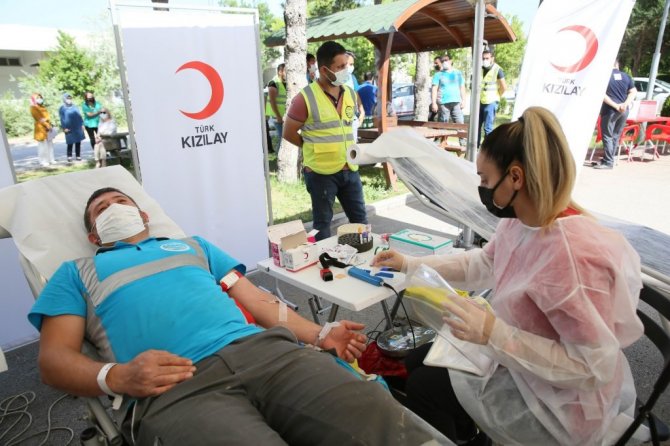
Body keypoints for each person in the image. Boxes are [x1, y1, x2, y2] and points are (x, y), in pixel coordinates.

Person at [29, 187, 448, 446]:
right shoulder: (76, 273)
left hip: (267, 353)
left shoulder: (194, 246)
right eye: (101, 209)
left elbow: (258, 301)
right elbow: (53, 360)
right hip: (175, 386)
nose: (113, 208)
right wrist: (117, 377)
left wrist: (321, 334)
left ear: (143, 216)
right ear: (93, 234)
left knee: (378, 417)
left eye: (121, 201)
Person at [372, 107, 644, 446]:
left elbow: (592, 368)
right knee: (415, 361)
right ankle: (466, 432)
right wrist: (411, 264)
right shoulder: (522, 220)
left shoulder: (573, 259)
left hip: (561, 401)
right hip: (522, 359)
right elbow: (483, 264)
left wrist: (493, 333)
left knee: (423, 387)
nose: (482, 188)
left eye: (485, 180)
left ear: (516, 177)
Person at [284, 41, 368, 241]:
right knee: (322, 225)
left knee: (360, 221)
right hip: (320, 173)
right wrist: (311, 146)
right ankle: (324, 259)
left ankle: (364, 255)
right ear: (324, 70)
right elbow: (288, 132)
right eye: (340, 67)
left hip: (350, 168)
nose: (346, 70)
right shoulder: (305, 98)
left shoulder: (349, 93)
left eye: (347, 65)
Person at [594, 59, 637, 170]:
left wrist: (615, 106)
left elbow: (602, 94)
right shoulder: (626, 76)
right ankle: (608, 159)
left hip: (610, 110)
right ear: (617, 65)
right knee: (615, 136)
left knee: (607, 136)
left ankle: (608, 162)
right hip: (624, 110)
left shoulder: (605, 76)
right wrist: (624, 104)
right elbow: (633, 91)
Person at [431, 54, 467, 146]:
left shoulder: (458, 73)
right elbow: (434, 89)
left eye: (446, 60)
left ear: (451, 61)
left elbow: (462, 87)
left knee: (459, 122)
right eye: (442, 61)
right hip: (443, 103)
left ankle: (462, 141)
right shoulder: (438, 74)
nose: (444, 62)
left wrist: (464, 100)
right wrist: (434, 103)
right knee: (443, 122)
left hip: (456, 102)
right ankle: (440, 141)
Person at [478, 48, 506, 145]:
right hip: (480, 101)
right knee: (476, 126)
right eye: (483, 58)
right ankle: (475, 147)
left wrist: (497, 96)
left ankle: (487, 148)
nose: (485, 60)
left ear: (492, 58)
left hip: (491, 102)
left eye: (487, 58)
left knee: (488, 128)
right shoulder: (480, 69)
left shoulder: (498, 70)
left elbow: (504, 87)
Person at [265, 63, 287, 153]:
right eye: (286, 71)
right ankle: (279, 156)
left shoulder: (285, 82)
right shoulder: (273, 83)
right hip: (277, 116)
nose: (288, 73)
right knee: (283, 138)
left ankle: (279, 155)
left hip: (283, 116)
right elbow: (272, 101)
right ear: (280, 72)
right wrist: (278, 116)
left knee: (283, 137)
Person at [29, 93, 56, 167]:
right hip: (40, 129)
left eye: (40, 97)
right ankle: (43, 161)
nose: (40, 99)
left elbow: (47, 117)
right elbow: (39, 119)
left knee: (50, 145)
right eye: (38, 98)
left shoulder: (42, 106)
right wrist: (47, 125)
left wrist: (49, 124)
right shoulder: (33, 108)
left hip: (48, 127)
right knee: (43, 146)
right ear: (34, 99)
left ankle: (51, 159)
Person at [59, 92, 85, 162]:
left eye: (70, 98)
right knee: (70, 142)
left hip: (77, 126)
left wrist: (82, 124)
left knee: (78, 142)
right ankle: (69, 156)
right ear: (64, 99)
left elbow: (79, 116)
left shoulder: (75, 107)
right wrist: (64, 128)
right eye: (67, 98)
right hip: (68, 127)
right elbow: (62, 119)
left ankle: (78, 155)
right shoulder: (62, 108)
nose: (69, 100)